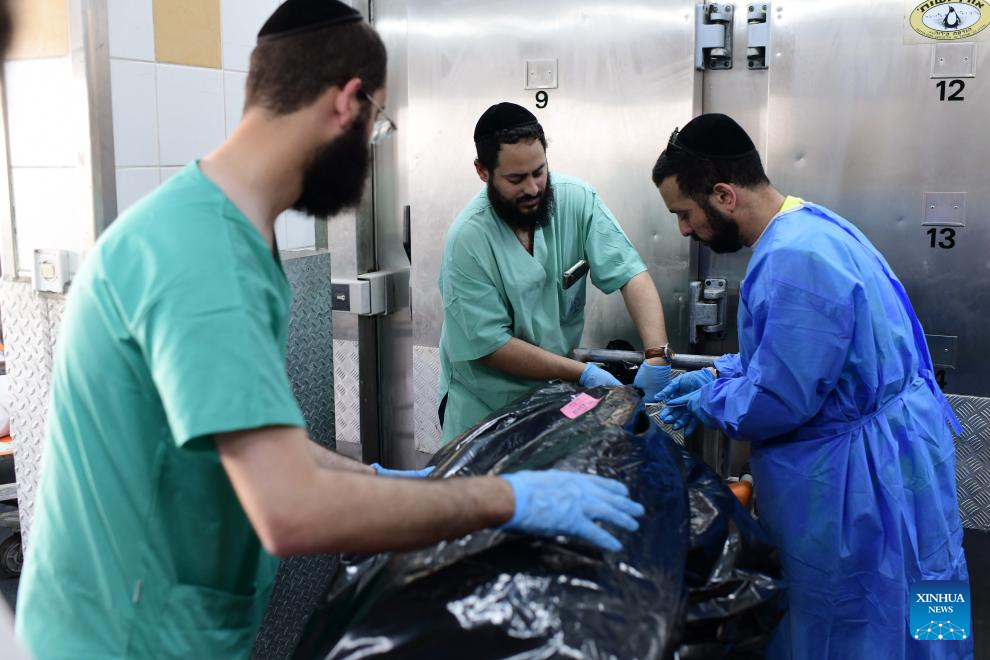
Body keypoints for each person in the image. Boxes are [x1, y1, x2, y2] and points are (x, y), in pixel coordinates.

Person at [13, 2, 645, 657]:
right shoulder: (202, 253)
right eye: (379, 125)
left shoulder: (230, 234)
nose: (371, 149)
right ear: (348, 103)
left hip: (174, 626)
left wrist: (396, 482)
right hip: (121, 639)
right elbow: (288, 508)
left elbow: (265, 449)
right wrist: (500, 499)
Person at [652, 114, 971, 659]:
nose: (683, 229)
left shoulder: (791, 259)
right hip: (910, 457)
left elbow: (780, 399)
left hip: (857, 481)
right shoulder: (814, 225)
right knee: (931, 584)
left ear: (724, 195)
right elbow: (802, 354)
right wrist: (718, 372)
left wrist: (710, 400)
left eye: (684, 213)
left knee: (850, 618)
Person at [438, 102, 672, 444]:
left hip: (554, 400)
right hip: (485, 409)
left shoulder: (577, 201)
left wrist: (656, 355)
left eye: (539, 171)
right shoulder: (468, 239)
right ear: (483, 172)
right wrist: (584, 372)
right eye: (516, 179)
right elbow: (491, 345)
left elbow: (630, 274)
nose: (533, 188)